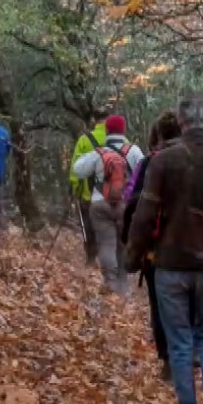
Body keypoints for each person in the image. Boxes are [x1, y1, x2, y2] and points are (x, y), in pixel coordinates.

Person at [127, 95, 203, 404]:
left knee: (179, 341)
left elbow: (145, 214)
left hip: (170, 265)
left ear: (181, 121)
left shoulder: (163, 162)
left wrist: (132, 256)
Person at [122, 112, 182, 381]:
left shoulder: (148, 163)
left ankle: (169, 360)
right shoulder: (200, 161)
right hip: (197, 246)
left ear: (156, 134)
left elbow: (131, 202)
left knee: (159, 304)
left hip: (156, 249)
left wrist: (131, 247)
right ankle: (188, 353)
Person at [72, 115, 144, 294]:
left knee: (106, 244)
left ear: (108, 131)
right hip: (125, 206)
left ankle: (110, 283)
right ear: (123, 130)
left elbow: (77, 169)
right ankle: (123, 284)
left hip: (99, 203)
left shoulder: (99, 153)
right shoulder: (134, 151)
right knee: (122, 244)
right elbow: (145, 172)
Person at [70, 112, 109, 264]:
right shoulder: (122, 141)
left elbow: (75, 169)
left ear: (95, 121)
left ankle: (91, 257)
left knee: (89, 226)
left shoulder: (84, 140)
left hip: (89, 193)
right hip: (115, 195)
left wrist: (75, 189)